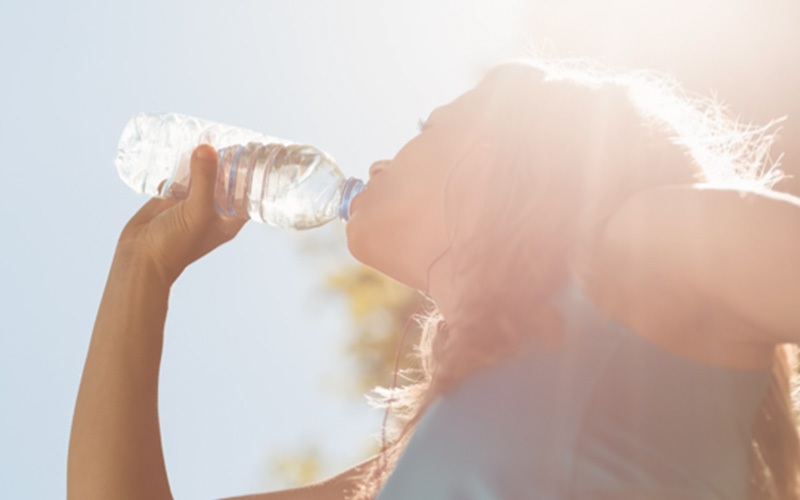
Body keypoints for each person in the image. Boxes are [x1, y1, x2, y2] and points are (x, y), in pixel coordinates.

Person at [68, 58, 800, 500]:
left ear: (519, 154)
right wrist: (142, 269)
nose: (383, 160)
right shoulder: (396, 474)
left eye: (427, 125)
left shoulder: (642, 246)